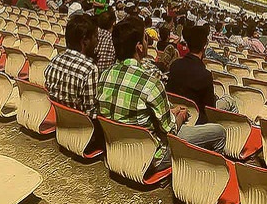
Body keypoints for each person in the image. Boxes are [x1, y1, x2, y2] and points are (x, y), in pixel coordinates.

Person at [97, 17, 226, 171]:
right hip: (149, 159)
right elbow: (170, 129)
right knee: (219, 132)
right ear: (139, 47)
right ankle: (203, 176)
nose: (147, 42)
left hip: (115, 152)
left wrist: (171, 111)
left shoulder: (104, 75)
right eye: (145, 38)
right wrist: (181, 115)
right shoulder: (150, 83)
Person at [166, 24, 235, 124]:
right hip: (196, 120)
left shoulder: (175, 65)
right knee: (229, 101)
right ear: (204, 46)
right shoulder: (205, 75)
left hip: (175, 113)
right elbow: (210, 110)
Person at [44, 13, 101, 115]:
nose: (97, 41)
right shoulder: (90, 69)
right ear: (85, 41)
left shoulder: (55, 60)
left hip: (58, 118)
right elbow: (91, 112)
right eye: (95, 37)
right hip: (81, 126)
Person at [93, 10, 117, 74]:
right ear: (113, 23)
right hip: (105, 75)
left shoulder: (93, 36)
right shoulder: (114, 40)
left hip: (92, 70)